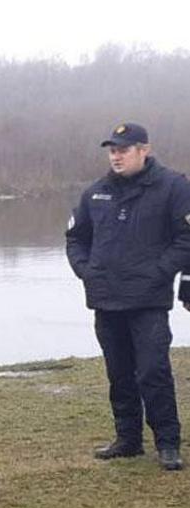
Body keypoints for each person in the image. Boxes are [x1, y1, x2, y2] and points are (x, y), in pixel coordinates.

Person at [66, 122, 190, 471]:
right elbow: (76, 238)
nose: (116, 156)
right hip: (106, 298)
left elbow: (186, 239)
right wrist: (86, 270)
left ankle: (167, 442)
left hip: (148, 300)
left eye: (123, 149)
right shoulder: (95, 193)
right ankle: (128, 439)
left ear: (144, 150)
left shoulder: (173, 187)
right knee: (119, 372)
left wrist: (161, 271)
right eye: (112, 150)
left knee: (152, 371)